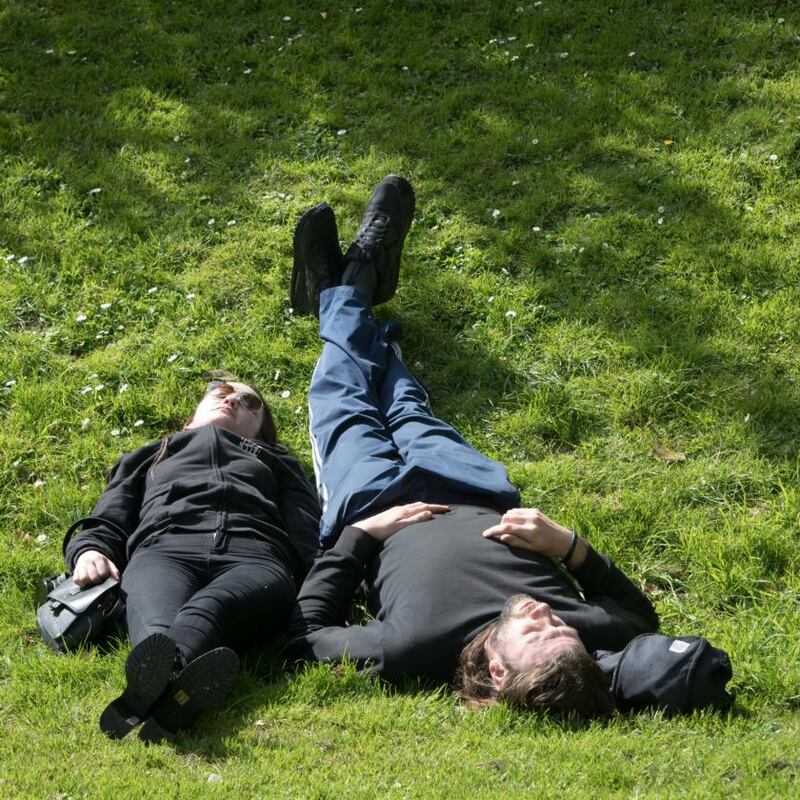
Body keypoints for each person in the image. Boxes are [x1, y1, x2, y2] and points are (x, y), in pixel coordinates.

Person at [283, 175, 660, 717]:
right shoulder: (572, 632)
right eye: (561, 625)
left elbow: (305, 636)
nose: (545, 614)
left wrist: (361, 539)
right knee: (405, 398)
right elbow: (638, 618)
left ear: (499, 670)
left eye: (537, 631)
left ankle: (348, 287)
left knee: (343, 395)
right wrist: (569, 547)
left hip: (368, 504)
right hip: (471, 485)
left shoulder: (412, 649)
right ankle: (344, 292)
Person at [64, 374, 320, 741]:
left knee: (210, 607)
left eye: (251, 403)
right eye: (222, 393)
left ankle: (149, 691)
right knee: (156, 627)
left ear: (262, 430)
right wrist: (90, 549)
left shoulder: (278, 461)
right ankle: (173, 696)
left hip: (256, 558)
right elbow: (111, 513)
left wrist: (324, 592)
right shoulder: (152, 453)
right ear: (190, 418)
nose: (233, 401)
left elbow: (305, 531)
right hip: (163, 551)